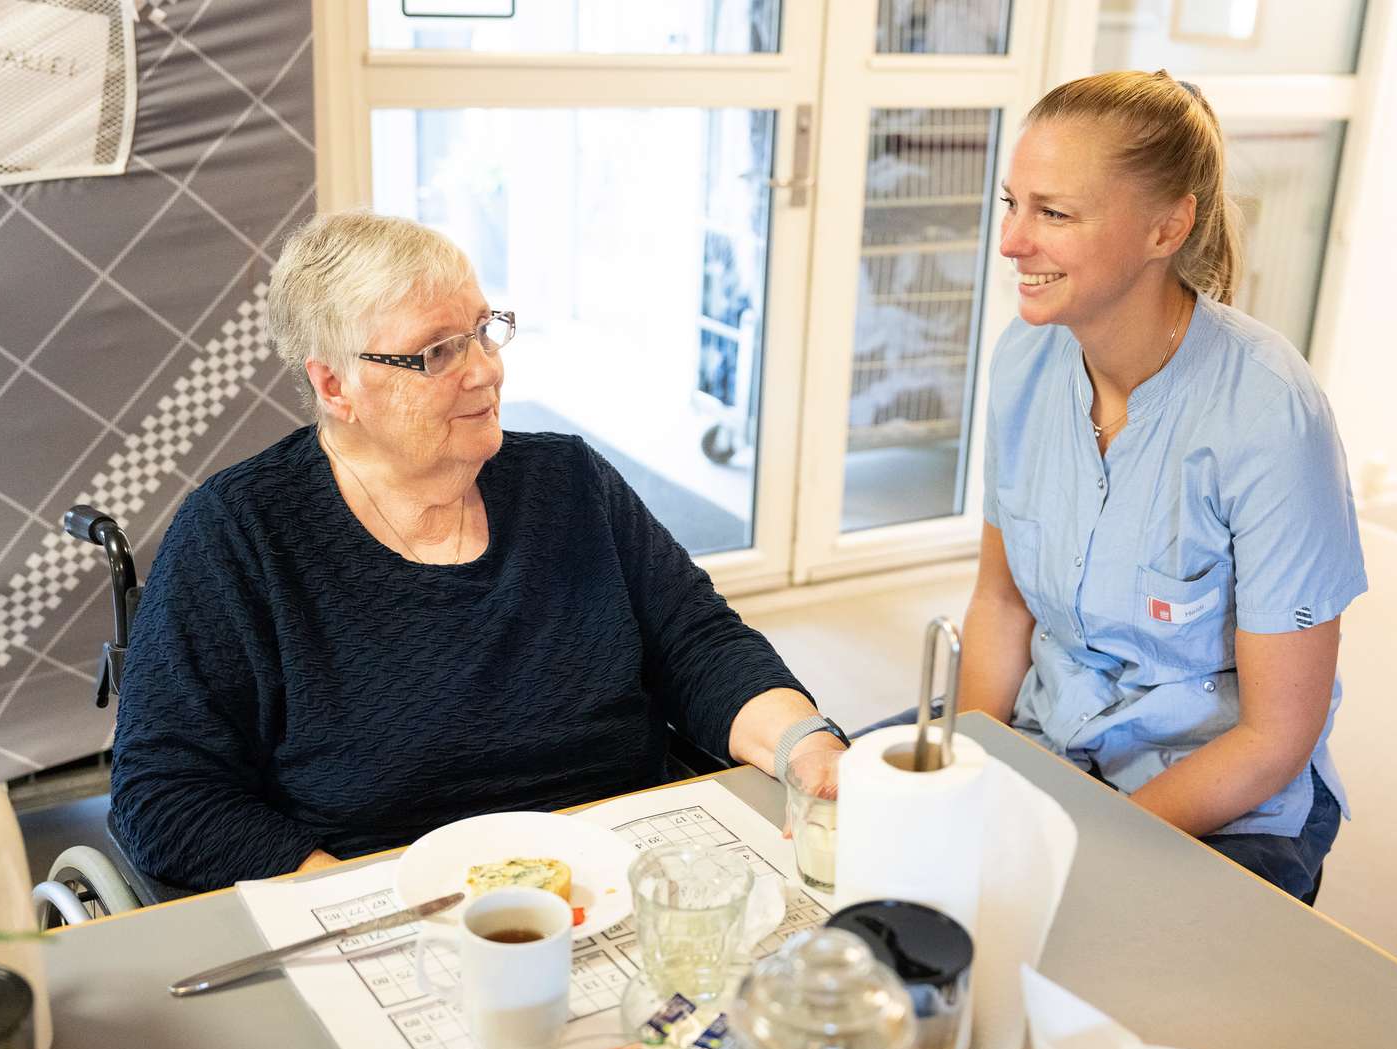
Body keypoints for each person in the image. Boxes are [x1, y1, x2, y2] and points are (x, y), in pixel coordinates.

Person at [110, 211, 847, 891]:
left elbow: (700, 644)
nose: (486, 369)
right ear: (336, 384)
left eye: (483, 329)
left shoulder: (568, 481)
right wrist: (353, 899)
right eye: (437, 351)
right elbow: (164, 790)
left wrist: (807, 746)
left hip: (623, 865)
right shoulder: (241, 533)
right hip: (392, 893)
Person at [960, 71, 1365, 902]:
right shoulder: (1024, 360)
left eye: (1054, 213)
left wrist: (1079, 847)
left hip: (1220, 798)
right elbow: (1002, 606)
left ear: (1167, 227)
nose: (1011, 240)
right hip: (1054, 740)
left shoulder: (1268, 415)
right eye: (1013, 203)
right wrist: (970, 771)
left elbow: (1273, 736)